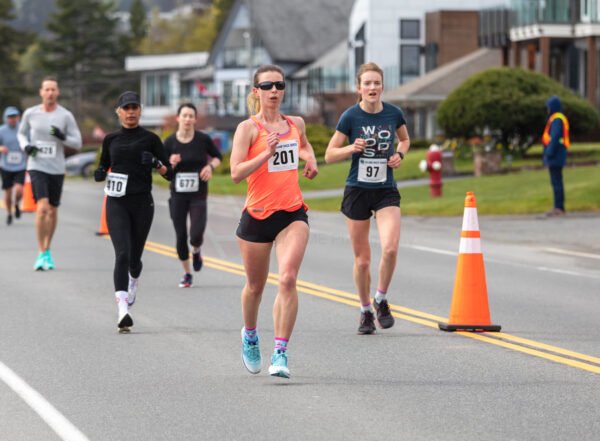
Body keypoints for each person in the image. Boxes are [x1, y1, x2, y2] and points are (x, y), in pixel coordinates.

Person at [230, 64, 318, 378]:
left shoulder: (295, 123)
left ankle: (280, 353)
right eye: (266, 86)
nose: (274, 91)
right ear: (256, 92)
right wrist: (265, 155)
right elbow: (236, 173)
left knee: (288, 278)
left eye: (279, 85)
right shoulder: (248, 129)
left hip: (292, 213)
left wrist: (311, 158)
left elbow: (304, 144)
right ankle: (250, 335)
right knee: (255, 286)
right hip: (256, 216)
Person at [324, 62, 410, 335]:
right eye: (367, 83)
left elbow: (405, 140)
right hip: (357, 190)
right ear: (359, 88)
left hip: (385, 189)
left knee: (390, 249)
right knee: (362, 260)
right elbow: (329, 155)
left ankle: (381, 298)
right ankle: (365, 311)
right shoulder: (350, 117)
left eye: (377, 83)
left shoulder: (394, 113)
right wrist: (351, 146)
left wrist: (400, 155)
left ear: (382, 86)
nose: (372, 88)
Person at [94, 91, 173, 332]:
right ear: (118, 112)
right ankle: (122, 311)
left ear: (140, 111)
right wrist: (99, 172)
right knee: (122, 253)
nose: (130, 112)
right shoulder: (110, 139)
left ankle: (133, 279)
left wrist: (156, 164)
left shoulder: (151, 139)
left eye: (134, 108)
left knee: (135, 258)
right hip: (116, 202)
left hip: (142, 204)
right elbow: (103, 164)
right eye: (125, 108)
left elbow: (170, 173)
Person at [17, 77, 82, 270]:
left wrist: (63, 137)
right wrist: (25, 146)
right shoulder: (31, 113)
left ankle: (47, 249)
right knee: (42, 207)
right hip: (37, 165)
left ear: (58, 92)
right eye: (47, 89)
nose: (50, 93)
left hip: (56, 167)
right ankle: (40, 252)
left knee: (53, 210)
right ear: (41, 92)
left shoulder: (65, 116)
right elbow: (21, 133)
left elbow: (77, 142)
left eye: (53, 89)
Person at [164, 103, 222, 288]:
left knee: (195, 234)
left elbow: (217, 156)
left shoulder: (203, 139)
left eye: (191, 116)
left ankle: (196, 250)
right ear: (178, 118)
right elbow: (162, 169)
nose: (188, 119)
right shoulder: (170, 142)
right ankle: (187, 273)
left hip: (198, 193)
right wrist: (169, 164)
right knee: (180, 236)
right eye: (184, 115)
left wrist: (209, 167)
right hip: (178, 195)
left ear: (195, 119)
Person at [542, 95, 569, 216]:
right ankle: (558, 206)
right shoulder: (556, 118)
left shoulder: (557, 119)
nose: (547, 109)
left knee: (556, 181)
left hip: (556, 155)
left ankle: (558, 207)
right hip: (558, 154)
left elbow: (555, 137)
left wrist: (549, 153)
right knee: (556, 181)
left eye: (548, 107)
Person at [0, 107, 26, 225]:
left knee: (19, 190)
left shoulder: (23, 129)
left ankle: (16, 204)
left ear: (18, 117)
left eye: (15, 116)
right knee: (8, 192)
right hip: (6, 166)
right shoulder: (2, 130)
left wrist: (26, 148)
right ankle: (9, 213)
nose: (13, 119)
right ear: (6, 118)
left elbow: (31, 144)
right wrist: (1, 148)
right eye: (10, 117)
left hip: (20, 165)